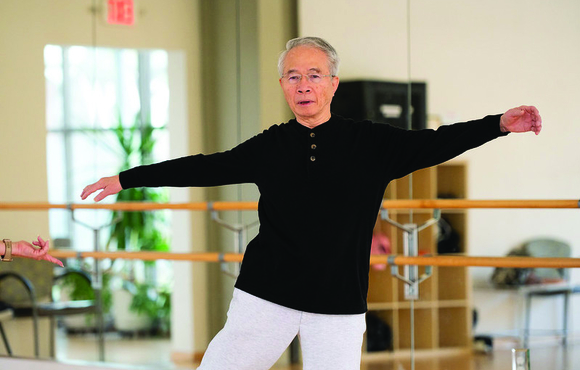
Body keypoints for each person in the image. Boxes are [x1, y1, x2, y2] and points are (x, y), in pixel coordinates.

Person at [80, 37, 542, 369]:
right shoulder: (270, 146)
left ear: (333, 84)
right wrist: (126, 178)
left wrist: (498, 124)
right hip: (265, 294)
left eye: (314, 75)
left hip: (338, 302)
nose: (304, 84)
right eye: (294, 76)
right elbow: (206, 167)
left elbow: (436, 142)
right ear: (283, 85)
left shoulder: (370, 142)